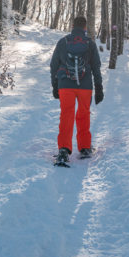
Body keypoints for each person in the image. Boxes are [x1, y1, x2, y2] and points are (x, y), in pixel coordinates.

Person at [50, 15, 104, 165]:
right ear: (85, 28)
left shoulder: (63, 42)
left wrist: (55, 85)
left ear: (72, 26)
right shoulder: (90, 44)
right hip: (85, 86)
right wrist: (99, 87)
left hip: (65, 85)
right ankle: (85, 148)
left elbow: (54, 65)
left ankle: (63, 150)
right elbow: (96, 68)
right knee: (83, 115)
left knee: (66, 115)